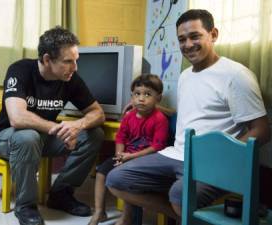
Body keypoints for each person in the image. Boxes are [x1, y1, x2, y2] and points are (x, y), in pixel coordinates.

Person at [105, 8, 271, 222]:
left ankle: (185, 213)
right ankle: (187, 217)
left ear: (213, 34)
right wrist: (149, 108)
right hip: (176, 154)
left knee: (179, 195)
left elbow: (262, 130)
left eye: (195, 36)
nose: (188, 44)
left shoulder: (236, 76)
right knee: (116, 179)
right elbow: (194, 114)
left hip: (212, 161)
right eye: (182, 39)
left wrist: (221, 159)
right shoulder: (185, 76)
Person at [0, 26, 105, 225]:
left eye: (76, 60)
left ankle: (61, 194)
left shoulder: (70, 79)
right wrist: (57, 128)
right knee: (28, 137)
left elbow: (98, 113)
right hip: (9, 138)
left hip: (45, 139)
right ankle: (25, 206)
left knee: (94, 134)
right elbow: (17, 118)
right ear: (46, 59)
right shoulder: (20, 70)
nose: (75, 67)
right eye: (68, 61)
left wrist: (77, 126)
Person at [88, 74, 170, 225]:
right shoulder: (129, 116)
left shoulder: (160, 119)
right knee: (101, 173)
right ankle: (100, 211)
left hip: (145, 159)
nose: (141, 99)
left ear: (158, 98)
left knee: (127, 181)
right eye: (137, 94)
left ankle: (126, 217)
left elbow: (157, 147)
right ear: (132, 97)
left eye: (147, 94)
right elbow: (120, 138)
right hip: (125, 156)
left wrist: (131, 157)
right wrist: (119, 155)